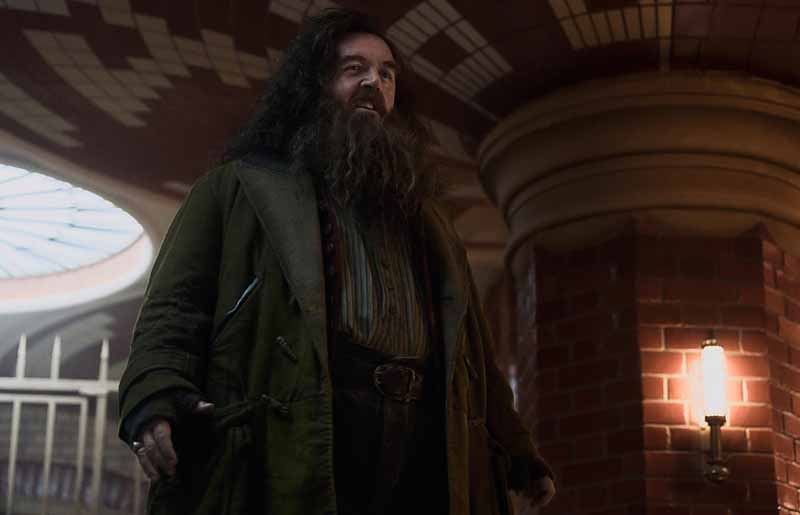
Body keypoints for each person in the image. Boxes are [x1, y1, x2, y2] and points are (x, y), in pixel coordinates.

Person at [118, 8, 555, 515]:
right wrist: (153, 395)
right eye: (354, 69)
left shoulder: (430, 221)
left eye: (387, 74)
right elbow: (174, 307)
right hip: (308, 431)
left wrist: (518, 450)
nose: (374, 82)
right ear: (314, 84)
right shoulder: (235, 190)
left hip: (422, 442)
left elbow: (473, 349)